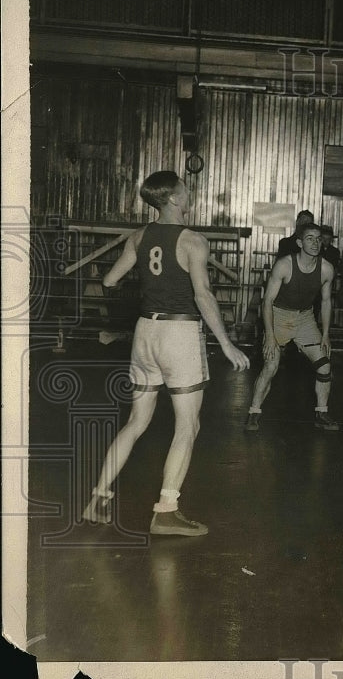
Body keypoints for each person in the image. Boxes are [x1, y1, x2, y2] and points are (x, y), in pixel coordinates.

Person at [82, 171, 250, 536]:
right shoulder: (193, 240)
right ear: (173, 198)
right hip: (179, 333)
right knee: (188, 425)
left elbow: (109, 280)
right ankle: (167, 511)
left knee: (136, 421)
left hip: (146, 332)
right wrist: (226, 342)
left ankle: (98, 498)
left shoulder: (139, 236)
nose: (189, 194)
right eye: (185, 189)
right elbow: (203, 295)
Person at [246, 223, 337, 432]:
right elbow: (267, 302)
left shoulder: (326, 269)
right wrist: (270, 336)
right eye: (309, 238)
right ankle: (253, 412)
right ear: (299, 242)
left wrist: (325, 334)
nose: (315, 243)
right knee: (271, 366)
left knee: (324, 366)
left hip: (305, 318)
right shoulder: (284, 265)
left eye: (318, 239)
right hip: (279, 316)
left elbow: (325, 302)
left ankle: (322, 413)